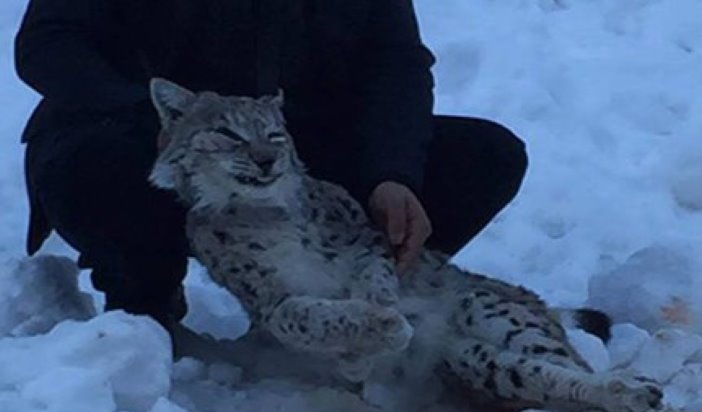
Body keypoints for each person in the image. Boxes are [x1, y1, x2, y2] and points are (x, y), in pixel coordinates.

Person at [15, 0, 528, 332]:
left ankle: (333, 307)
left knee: (485, 157)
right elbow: (48, 40)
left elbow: (394, 62)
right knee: (90, 167)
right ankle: (145, 311)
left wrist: (392, 173)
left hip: (289, 145)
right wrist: (140, 110)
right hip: (140, 132)